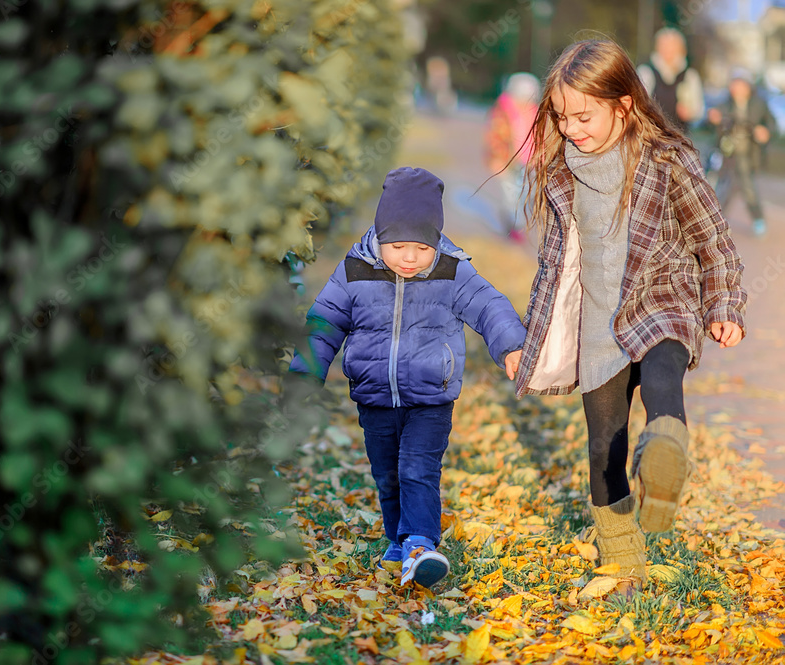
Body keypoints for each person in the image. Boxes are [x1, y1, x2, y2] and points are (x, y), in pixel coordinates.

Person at [515, 40, 746, 591]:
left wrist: (724, 304)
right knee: (604, 444)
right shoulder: (561, 174)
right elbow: (555, 266)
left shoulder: (666, 159)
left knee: (664, 379)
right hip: (599, 324)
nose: (571, 128)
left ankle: (665, 463)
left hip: (661, 300)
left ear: (623, 104)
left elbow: (711, 239)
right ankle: (622, 559)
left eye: (584, 115)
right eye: (562, 116)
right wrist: (534, 340)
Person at [290, 167, 526, 588]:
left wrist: (511, 346)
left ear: (435, 242)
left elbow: (490, 306)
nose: (410, 258)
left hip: (431, 398)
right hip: (375, 397)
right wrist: (306, 372)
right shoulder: (355, 271)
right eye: (398, 246)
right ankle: (399, 541)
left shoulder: (452, 272)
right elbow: (324, 320)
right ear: (379, 236)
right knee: (387, 474)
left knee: (418, 467)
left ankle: (420, 543)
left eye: (421, 248)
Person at [708, 68, 776, 236]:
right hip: (728, 153)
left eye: (741, 85)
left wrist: (765, 131)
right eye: (734, 85)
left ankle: (757, 219)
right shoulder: (725, 103)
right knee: (722, 188)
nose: (737, 89)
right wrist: (712, 118)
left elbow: (771, 125)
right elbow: (709, 120)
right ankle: (716, 222)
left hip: (748, 153)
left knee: (748, 188)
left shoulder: (759, 104)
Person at [485, 72, 541, 241]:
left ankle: (516, 224)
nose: (526, 102)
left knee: (524, 194)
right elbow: (496, 137)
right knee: (511, 195)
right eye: (522, 97)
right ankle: (514, 227)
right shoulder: (503, 112)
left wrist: (540, 156)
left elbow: (539, 137)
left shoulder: (534, 112)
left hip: (527, 162)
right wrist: (496, 159)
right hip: (507, 161)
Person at [636, 28, 704, 133]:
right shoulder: (646, 72)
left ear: (682, 50)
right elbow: (637, 105)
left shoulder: (689, 76)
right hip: (651, 136)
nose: (668, 51)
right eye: (664, 46)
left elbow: (699, 111)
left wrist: (689, 113)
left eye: (672, 47)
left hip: (680, 138)